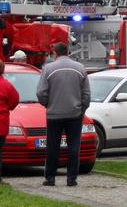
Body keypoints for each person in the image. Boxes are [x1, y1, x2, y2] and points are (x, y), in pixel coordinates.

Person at [36, 42, 90, 187]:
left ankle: (50, 178)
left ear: (55, 53)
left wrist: (47, 104)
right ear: (69, 52)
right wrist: (82, 108)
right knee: (74, 147)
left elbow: (41, 92)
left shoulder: (48, 69)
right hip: (74, 114)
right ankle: (71, 178)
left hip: (54, 114)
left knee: (53, 146)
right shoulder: (80, 68)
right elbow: (86, 94)